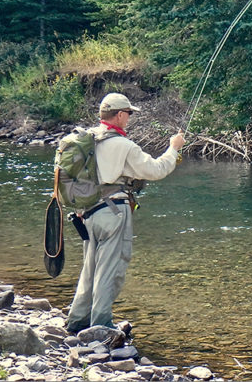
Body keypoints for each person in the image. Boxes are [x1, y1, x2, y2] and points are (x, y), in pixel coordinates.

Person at [66, 93, 185, 333]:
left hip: (86, 212)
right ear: (119, 115)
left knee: (90, 268)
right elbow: (156, 170)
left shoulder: (86, 140)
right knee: (111, 269)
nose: (129, 118)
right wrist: (174, 149)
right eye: (129, 114)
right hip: (113, 213)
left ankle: (78, 321)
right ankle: (101, 325)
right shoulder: (123, 145)